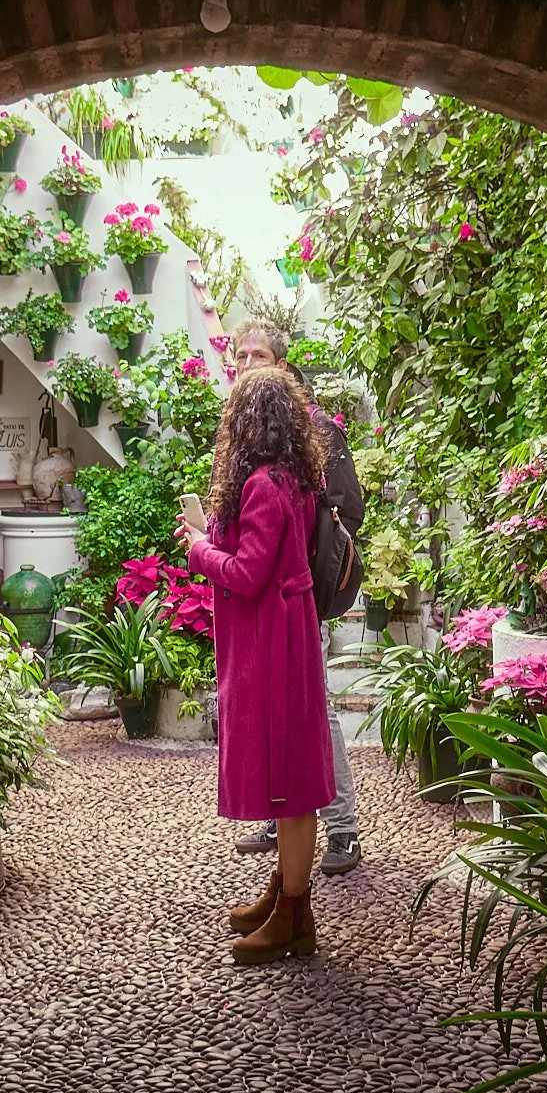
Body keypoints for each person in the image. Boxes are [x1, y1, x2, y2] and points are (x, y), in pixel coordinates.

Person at [183, 366, 334, 964]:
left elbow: (247, 574)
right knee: (288, 774)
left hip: (273, 641)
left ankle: (296, 914)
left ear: (246, 424)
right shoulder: (294, 476)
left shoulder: (264, 485)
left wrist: (198, 549)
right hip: (287, 633)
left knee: (291, 782)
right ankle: (284, 894)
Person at [224, 319, 366, 875]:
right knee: (275, 716)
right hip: (264, 596)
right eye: (240, 356)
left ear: (282, 363)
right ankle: (280, 817)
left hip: (299, 592)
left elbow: (345, 511)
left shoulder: (317, 429)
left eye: (259, 354)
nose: (248, 363)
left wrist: (302, 570)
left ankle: (342, 829)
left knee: (314, 711)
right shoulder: (246, 426)